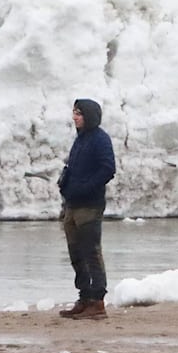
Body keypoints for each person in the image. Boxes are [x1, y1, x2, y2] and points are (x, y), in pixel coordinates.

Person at [57, 98, 116, 321]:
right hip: (72, 205)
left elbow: (108, 169)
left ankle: (97, 302)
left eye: (79, 113)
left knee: (91, 252)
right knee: (76, 253)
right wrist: (66, 183)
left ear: (89, 116)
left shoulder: (100, 139)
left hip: (89, 205)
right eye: (74, 112)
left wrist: (84, 188)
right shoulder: (81, 139)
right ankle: (84, 297)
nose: (74, 117)